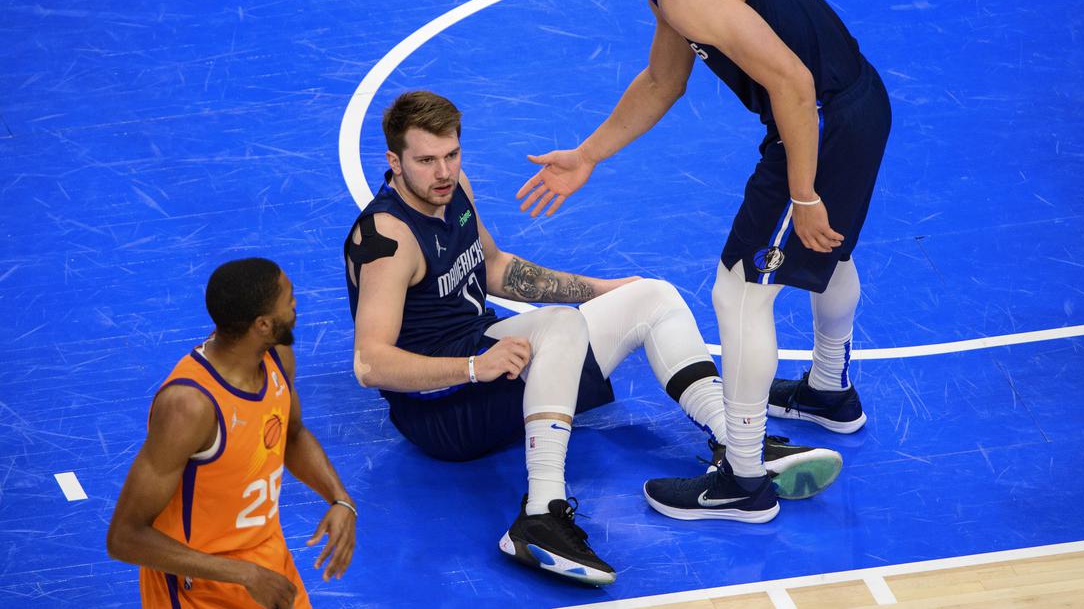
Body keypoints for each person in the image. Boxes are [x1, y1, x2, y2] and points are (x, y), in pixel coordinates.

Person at [344, 90, 842, 585]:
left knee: (653, 295)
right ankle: (541, 514)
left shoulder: (454, 193)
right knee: (558, 324)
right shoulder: (388, 239)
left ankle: (739, 448)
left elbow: (493, 266)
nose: (444, 172)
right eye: (427, 161)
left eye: (451, 155)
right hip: (442, 410)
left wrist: (604, 290)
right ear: (394, 160)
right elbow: (370, 365)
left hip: (488, 355)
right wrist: (476, 368)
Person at [521, 0, 891, 522]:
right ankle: (828, 390)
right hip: (848, 108)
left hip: (819, 118)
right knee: (826, 253)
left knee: (740, 289)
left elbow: (793, 82)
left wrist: (803, 193)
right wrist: (587, 155)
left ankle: (743, 479)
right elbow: (663, 81)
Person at [107, 258, 357, 608]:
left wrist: (339, 498)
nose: (296, 304)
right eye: (289, 298)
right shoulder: (189, 406)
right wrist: (244, 574)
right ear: (263, 324)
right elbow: (124, 537)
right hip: (201, 587)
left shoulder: (278, 357)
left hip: (267, 565)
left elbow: (292, 433)